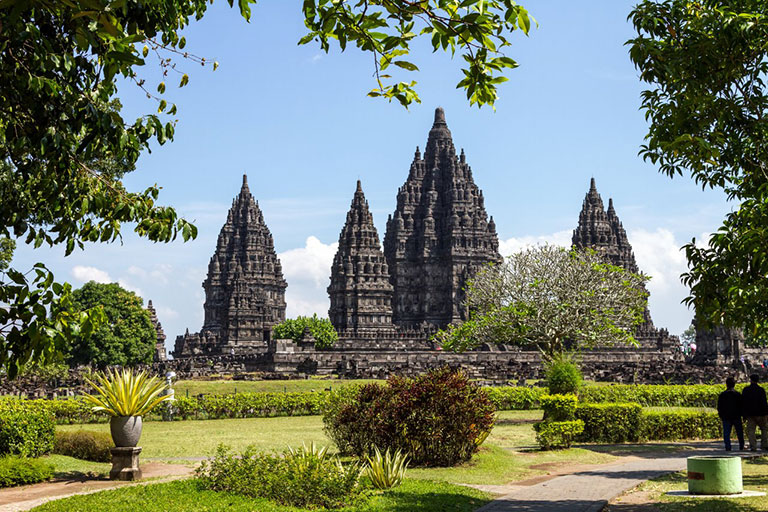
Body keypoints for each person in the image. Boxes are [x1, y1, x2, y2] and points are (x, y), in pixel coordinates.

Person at [741, 373, 768, 451]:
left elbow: (743, 403)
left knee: (751, 430)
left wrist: (744, 415)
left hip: (750, 414)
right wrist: (766, 413)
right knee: (764, 429)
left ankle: (753, 446)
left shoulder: (746, 390)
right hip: (761, 413)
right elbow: (764, 402)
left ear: (751, 380)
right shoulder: (761, 390)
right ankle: (764, 445)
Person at [717, 377, 744, 451]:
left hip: (726, 416)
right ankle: (741, 445)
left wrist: (721, 415)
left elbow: (719, 406)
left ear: (726, 385)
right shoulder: (738, 394)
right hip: (736, 416)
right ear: (734, 385)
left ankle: (728, 446)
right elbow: (742, 406)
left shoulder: (722, 395)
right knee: (739, 432)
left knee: (726, 433)